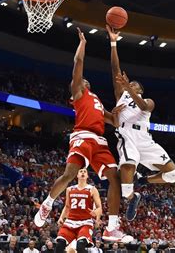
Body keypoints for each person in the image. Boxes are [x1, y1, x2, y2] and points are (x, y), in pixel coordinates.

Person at [34, 27, 129, 242]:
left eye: (85, 80)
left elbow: (113, 121)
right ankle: (47, 204)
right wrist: (82, 44)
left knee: (115, 178)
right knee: (69, 175)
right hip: (83, 135)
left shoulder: (96, 99)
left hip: (100, 141)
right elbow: (78, 64)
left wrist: (120, 110)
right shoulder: (79, 93)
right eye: (81, 79)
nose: (83, 80)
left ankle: (112, 226)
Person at [106, 25, 175, 221]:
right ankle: (133, 197)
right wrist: (113, 43)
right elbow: (115, 68)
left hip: (145, 139)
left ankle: (143, 179)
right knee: (126, 181)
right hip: (127, 135)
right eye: (128, 84)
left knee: (174, 175)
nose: (129, 85)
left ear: (139, 89)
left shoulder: (147, 100)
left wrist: (129, 89)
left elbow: (144, 107)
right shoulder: (120, 95)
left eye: (133, 85)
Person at [55, 168, 102, 253]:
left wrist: (97, 217)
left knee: (80, 246)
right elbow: (67, 206)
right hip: (70, 221)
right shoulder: (70, 189)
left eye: (85, 171)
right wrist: (61, 218)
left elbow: (99, 208)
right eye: (80, 171)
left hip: (85, 222)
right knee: (59, 246)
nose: (83, 173)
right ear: (77, 175)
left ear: (87, 176)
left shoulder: (92, 189)